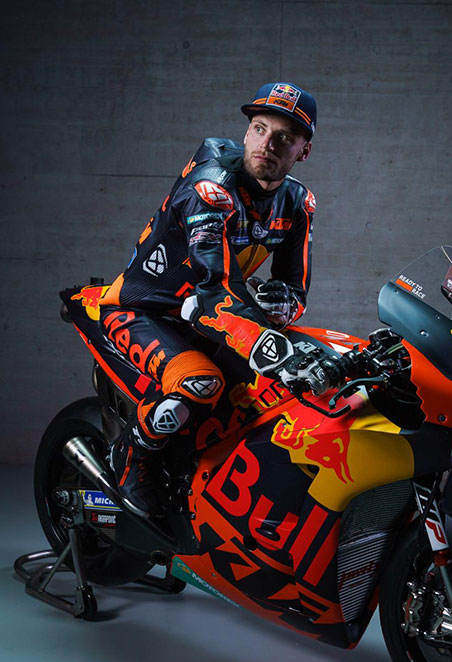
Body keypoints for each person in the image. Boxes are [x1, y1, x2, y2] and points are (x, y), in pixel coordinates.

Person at [90, 82, 324, 517]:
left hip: (208, 319)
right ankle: (131, 457)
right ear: (247, 132)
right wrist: (264, 341)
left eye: (285, 138)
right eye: (259, 129)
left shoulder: (298, 203)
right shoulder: (210, 187)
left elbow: (296, 289)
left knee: (267, 396)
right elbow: (212, 289)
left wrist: (283, 306)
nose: (267, 144)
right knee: (200, 384)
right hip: (142, 309)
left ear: (303, 151)